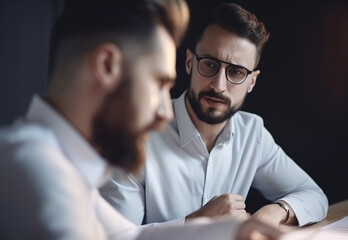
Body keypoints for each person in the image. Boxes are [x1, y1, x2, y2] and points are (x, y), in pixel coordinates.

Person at [0, 0, 286, 239]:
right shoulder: (37, 170)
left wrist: (233, 230)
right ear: (107, 66)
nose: (165, 110)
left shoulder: (53, 161)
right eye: (158, 83)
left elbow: (131, 236)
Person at [100, 2, 329, 228]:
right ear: (190, 62)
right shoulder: (136, 135)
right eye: (210, 64)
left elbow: (314, 196)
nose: (219, 85)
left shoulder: (253, 135)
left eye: (236, 72)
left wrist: (274, 212)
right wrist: (196, 223)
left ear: (251, 82)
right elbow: (116, 236)